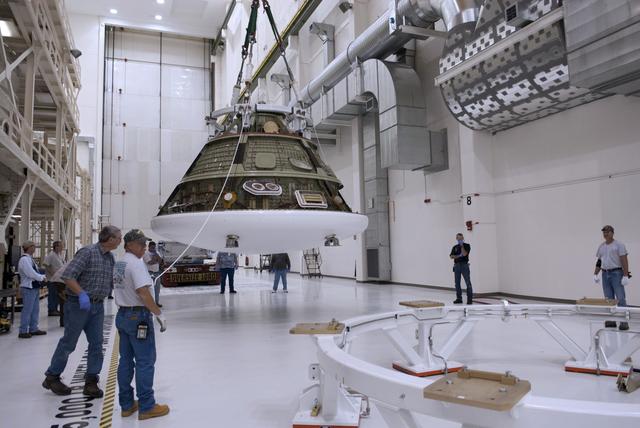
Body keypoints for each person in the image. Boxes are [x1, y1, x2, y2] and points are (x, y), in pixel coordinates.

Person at [43, 226, 122, 397]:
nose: (120, 240)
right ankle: (52, 376)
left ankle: (91, 380)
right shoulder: (88, 252)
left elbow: (112, 280)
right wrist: (81, 294)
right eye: (118, 237)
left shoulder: (110, 257)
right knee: (69, 342)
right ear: (110, 239)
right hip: (78, 305)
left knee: (97, 344)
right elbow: (68, 276)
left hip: (97, 306)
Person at [114, 229, 169, 420]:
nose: (144, 247)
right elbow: (143, 293)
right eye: (141, 244)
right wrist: (158, 313)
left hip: (123, 315)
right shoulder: (136, 264)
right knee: (145, 361)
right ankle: (147, 406)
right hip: (138, 318)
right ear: (129, 245)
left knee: (125, 361)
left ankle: (127, 404)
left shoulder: (120, 263)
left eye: (145, 244)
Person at [594, 225, 630, 330]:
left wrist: (625, 275)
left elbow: (624, 260)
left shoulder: (619, 245)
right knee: (608, 299)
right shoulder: (601, 246)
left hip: (616, 273)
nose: (605, 234)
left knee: (620, 298)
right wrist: (595, 273)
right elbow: (599, 261)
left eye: (607, 232)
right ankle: (611, 320)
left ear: (612, 233)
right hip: (605, 274)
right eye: (604, 232)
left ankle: (624, 322)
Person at [17, 241, 47, 338]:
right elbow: (30, 273)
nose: (35, 248)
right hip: (28, 288)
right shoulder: (24, 259)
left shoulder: (30, 259)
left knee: (35, 310)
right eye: (33, 246)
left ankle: (33, 328)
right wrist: (42, 277)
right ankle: (23, 331)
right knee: (27, 310)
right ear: (29, 247)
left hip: (34, 287)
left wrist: (41, 276)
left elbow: (35, 271)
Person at [43, 240, 65, 316]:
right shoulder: (51, 255)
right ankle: (51, 310)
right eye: (61, 246)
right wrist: (53, 274)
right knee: (52, 295)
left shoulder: (59, 255)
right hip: (52, 279)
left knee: (56, 295)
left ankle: (55, 309)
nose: (62, 247)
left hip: (58, 279)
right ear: (56, 247)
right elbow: (46, 264)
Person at [449, 233, 473, 304]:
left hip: (464, 265)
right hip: (457, 266)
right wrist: (459, 256)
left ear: (463, 238)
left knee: (468, 282)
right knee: (457, 283)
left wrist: (462, 246)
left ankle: (469, 299)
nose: (460, 240)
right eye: (459, 239)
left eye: (461, 239)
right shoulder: (455, 247)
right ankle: (459, 298)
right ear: (456, 239)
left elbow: (465, 254)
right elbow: (451, 256)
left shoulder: (467, 245)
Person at [143, 241, 163, 307]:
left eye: (154, 247)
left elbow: (160, 261)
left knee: (157, 289)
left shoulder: (157, 252)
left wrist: (156, 254)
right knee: (150, 289)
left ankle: (156, 302)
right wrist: (155, 259)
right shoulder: (146, 254)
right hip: (149, 273)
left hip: (157, 273)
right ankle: (150, 303)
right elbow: (150, 262)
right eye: (152, 247)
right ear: (149, 247)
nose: (153, 249)